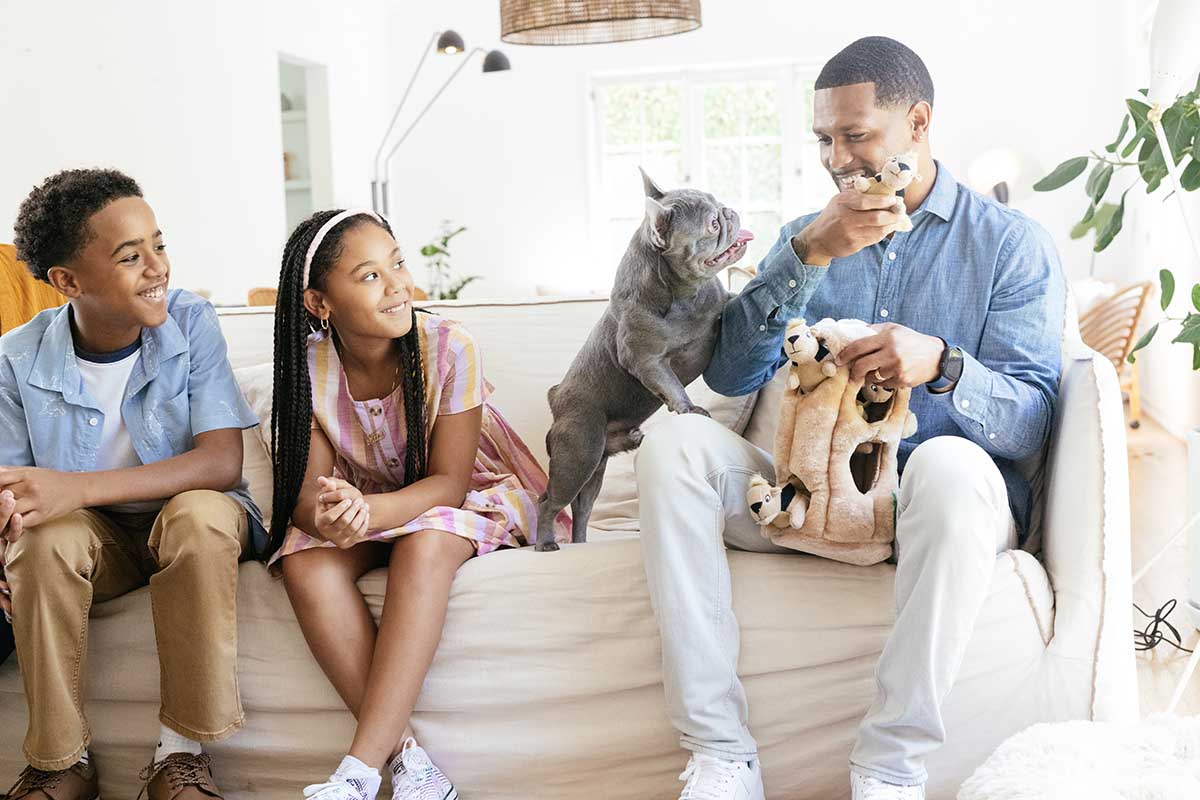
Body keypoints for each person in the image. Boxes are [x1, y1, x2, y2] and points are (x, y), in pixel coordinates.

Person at [635, 36, 1065, 800]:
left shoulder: (1010, 247)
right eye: (824, 138)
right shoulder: (807, 232)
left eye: (856, 135)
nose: (835, 158)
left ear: (919, 123)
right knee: (672, 443)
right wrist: (806, 255)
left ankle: (890, 771)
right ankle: (721, 757)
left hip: (929, 503)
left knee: (954, 465)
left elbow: (1031, 425)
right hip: (805, 493)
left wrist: (943, 363)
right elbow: (731, 375)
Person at [266, 209, 568, 800]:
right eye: (370, 275)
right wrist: (326, 515)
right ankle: (412, 766)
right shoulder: (305, 369)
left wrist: (368, 515)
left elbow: (449, 484)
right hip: (368, 501)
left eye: (397, 263)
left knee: (425, 543)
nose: (398, 283)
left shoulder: (449, 346)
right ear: (320, 303)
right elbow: (306, 491)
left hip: (460, 490)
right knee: (304, 560)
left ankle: (355, 774)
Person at [0, 168, 263, 800]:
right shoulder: (16, 356)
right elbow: (15, 492)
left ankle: (180, 755)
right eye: (129, 256)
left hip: (191, 520)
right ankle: (61, 762)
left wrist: (76, 488)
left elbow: (221, 462)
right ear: (68, 281)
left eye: (159, 244)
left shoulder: (191, 320)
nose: (156, 267)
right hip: (102, 544)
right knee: (42, 541)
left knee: (198, 514)